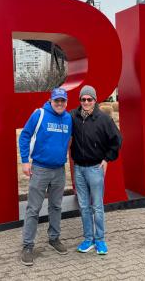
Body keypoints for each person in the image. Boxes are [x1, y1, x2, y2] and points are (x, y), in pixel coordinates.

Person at [19, 88, 72, 266]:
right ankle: (27, 246)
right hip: (40, 169)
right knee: (33, 209)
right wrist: (25, 161)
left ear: (66, 102)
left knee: (56, 206)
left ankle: (54, 238)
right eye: (56, 100)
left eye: (62, 101)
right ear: (50, 100)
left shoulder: (68, 118)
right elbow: (24, 136)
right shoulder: (39, 114)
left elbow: (68, 140)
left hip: (59, 170)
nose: (59, 104)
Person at [70, 85, 122, 255]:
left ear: (95, 100)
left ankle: (100, 240)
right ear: (80, 100)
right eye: (83, 99)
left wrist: (107, 158)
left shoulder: (103, 119)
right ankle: (88, 239)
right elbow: (57, 114)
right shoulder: (73, 117)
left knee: (97, 206)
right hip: (78, 168)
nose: (86, 102)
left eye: (89, 99)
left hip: (94, 169)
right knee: (84, 206)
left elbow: (117, 140)